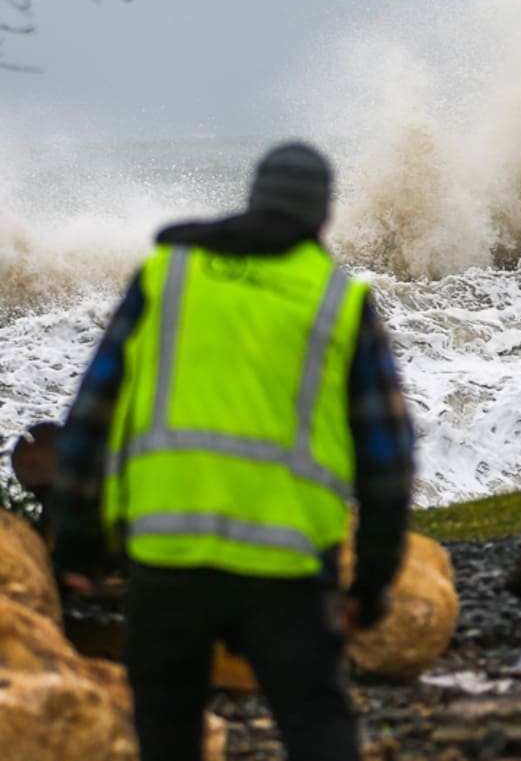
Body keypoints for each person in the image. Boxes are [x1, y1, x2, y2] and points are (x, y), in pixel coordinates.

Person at [49, 141, 416, 761]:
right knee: (316, 722)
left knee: (166, 730)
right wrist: (371, 583)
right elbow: (387, 456)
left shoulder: (166, 275)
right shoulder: (338, 300)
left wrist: (77, 541)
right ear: (323, 217)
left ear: (253, 197)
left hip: (166, 555)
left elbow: (93, 413)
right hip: (286, 569)